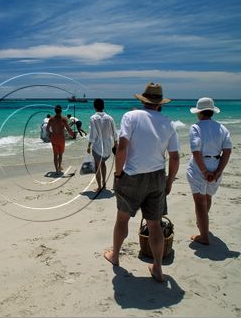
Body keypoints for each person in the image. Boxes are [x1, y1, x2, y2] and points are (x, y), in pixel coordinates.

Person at [103, 82, 180, 283]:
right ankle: (157, 267)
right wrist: (169, 182)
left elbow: (121, 148)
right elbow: (175, 157)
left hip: (132, 176)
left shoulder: (131, 116)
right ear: (159, 102)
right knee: (154, 224)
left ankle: (116, 256)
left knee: (122, 219)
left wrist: (118, 174)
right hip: (156, 176)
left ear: (143, 100)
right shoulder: (168, 123)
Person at [186, 97, 232, 245]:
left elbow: (196, 152)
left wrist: (205, 171)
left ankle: (204, 235)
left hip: (200, 166)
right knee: (208, 198)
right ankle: (202, 226)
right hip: (216, 163)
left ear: (199, 113)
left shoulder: (196, 128)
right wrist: (218, 171)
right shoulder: (222, 128)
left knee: (200, 202)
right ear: (211, 111)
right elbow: (227, 151)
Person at [87, 98, 117, 192]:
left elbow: (92, 134)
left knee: (97, 166)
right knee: (103, 164)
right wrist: (115, 145)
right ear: (103, 106)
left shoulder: (93, 118)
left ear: (94, 106)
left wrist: (88, 146)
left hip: (97, 146)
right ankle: (104, 183)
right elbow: (115, 133)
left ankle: (100, 186)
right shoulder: (110, 118)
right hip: (107, 147)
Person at [47, 106, 76, 173]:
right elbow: (68, 129)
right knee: (60, 154)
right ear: (61, 111)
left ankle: (56, 170)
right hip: (61, 138)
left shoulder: (51, 119)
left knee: (55, 154)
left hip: (54, 138)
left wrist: (50, 134)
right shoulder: (64, 119)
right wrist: (73, 135)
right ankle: (59, 167)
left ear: (55, 111)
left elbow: (47, 129)